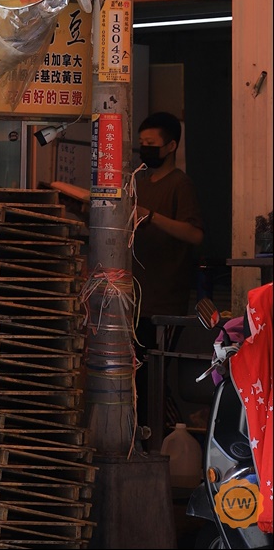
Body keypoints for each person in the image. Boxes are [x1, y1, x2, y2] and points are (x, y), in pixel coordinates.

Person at [131, 111, 204, 436]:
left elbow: (194, 234)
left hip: (165, 301)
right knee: (136, 377)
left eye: (152, 144)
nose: (144, 149)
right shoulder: (138, 182)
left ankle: (175, 437)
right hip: (134, 298)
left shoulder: (180, 184)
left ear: (171, 146)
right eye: (142, 143)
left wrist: (152, 217)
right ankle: (152, 440)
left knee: (154, 379)